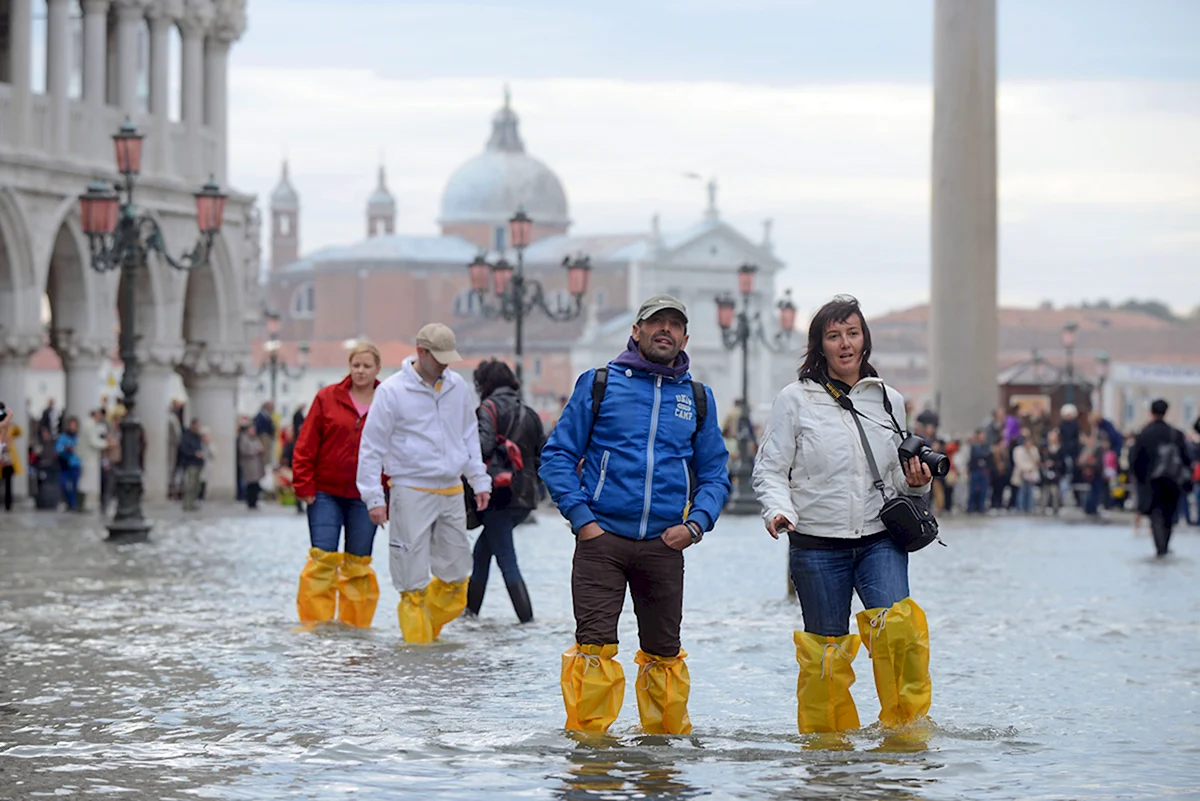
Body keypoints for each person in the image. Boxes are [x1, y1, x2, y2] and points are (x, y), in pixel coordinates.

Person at [540, 295, 731, 735]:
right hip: (601, 543)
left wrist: (695, 526)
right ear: (636, 330)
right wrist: (583, 521)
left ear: (685, 337)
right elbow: (557, 456)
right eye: (655, 322)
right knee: (594, 650)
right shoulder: (599, 383)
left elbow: (716, 473)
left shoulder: (698, 398)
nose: (665, 330)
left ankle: (662, 761)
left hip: (665, 545)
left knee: (665, 654)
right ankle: (591, 757)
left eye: (674, 324)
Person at [751, 295, 933, 735]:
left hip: (879, 539)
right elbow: (770, 469)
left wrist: (918, 481)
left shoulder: (890, 400)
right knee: (825, 655)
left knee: (899, 636)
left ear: (864, 340)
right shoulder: (794, 400)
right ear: (820, 345)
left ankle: (905, 735)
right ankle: (827, 750)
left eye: (852, 333)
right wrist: (778, 510)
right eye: (834, 336)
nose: (845, 343)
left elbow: (898, 480)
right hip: (817, 543)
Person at [356, 324, 491, 643]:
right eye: (439, 357)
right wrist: (374, 497)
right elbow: (371, 445)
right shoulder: (392, 391)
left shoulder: (457, 386)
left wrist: (478, 479)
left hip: (451, 487)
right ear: (421, 352)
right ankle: (418, 657)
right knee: (411, 579)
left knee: (458, 577)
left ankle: (424, 633)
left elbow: (469, 433)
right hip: (409, 488)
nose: (445, 364)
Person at [293, 342, 383, 628]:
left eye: (366, 366)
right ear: (349, 366)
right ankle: (316, 624)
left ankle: (354, 626)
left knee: (358, 564)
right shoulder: (327, 397)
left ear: (377, 369)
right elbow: (306, 444)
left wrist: (387, 494)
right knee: (322, 559)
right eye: (356, 365)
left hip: (366, 496)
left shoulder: (388, 400)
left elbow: (397, 450)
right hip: (324, 493)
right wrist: (304, 486)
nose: (360, 371)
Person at [466, 359, 546, 624]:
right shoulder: (530, 413)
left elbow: (482, 446)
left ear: (484, 384)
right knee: (482, 553)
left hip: (499, 495)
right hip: (525, 497)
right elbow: (541, 456)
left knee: (507, 560)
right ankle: (470, 615)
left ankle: (527, 621)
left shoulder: (488, 408)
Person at [1130, 399, 1193, 557]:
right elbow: (1186, 458)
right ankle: (1165, 544)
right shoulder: (1175, 433)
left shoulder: (1145, 433)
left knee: (1156, 513)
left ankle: (1160, 547)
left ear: (1151, 412)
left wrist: (1139, 478)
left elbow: (1136, 458)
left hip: (1151, 480)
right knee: (1169, 513)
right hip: (1172, 479)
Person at [77, 409, 107, 513]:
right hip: (88, 457)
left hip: (90, 457)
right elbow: (93, 441)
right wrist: (106, 443)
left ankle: (83, 504)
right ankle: (81, 505)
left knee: (87, 481)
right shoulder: (89, 425)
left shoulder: (92, 424)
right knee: (86, 481)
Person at [177, 419, 206, 511]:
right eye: (196, 425)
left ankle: (192, 503)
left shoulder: (197, 436)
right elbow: (184, 450)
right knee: (191, 484)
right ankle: (187, 504)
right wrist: (194, 454)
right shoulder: (186, 436)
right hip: (190, 463)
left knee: (197, 485)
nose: (198, 427)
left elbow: (200, 446)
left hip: (198, 463)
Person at [1011, 429, 1041, 514]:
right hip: (1021, 472)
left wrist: (1031, 468)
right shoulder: (1018, 450)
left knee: (1030, 491)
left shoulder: (1034, 450)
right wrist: (1026, 469)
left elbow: (1036, 460)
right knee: (1021, 491)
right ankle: (1020, 507)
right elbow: (1018, 461)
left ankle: (1030, 507)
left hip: (1031, 473)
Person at [55, 416, 82, 511]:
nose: (72, 428)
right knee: (64, 484)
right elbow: (58, 449)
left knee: (74, 486)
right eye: (71, 425)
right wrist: (66, 449)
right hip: (65, 464)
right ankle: (68, 502)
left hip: (75, 464)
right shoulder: (63, 437)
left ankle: (73, 505)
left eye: (74, 426)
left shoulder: (79, 437)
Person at [238, 423, 266, 509]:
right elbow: (243, 450)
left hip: (256, 464)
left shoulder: (256, 439)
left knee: (256, 484)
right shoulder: (244, 439)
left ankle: (255, 501)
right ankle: (250, 502)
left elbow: (260, 446)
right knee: (250, 484)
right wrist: (255, 451)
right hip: (248, 464)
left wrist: (261, 450)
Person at [0, 405, 21, 512]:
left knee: (8, 484)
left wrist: (11, 422)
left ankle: (8, 505)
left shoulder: (9, 429)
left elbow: (19, 431)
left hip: (8, 461)